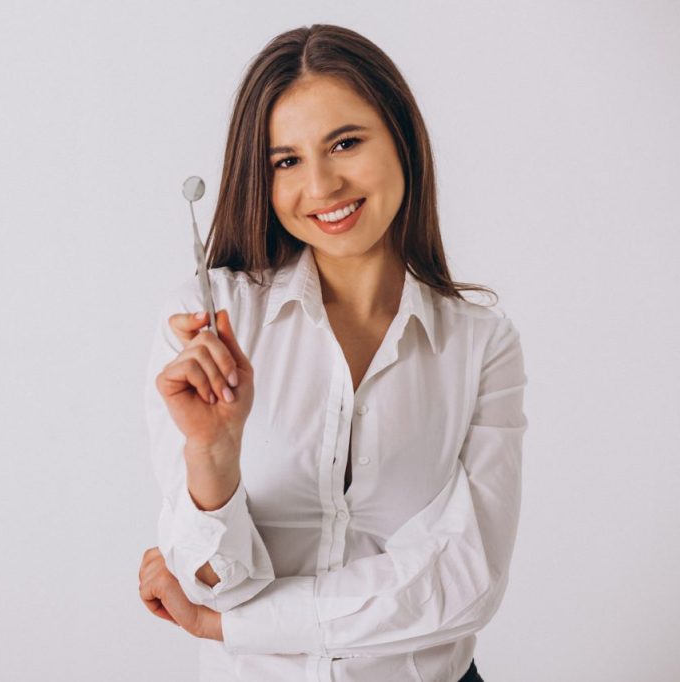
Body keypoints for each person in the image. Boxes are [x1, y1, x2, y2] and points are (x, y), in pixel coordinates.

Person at [137, 23, 527, 682]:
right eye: (285, 160)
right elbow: (207, 583)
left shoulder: (479, 343)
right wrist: (212, 454)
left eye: (343, 143)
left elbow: (468, 583)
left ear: (400, 138)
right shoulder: (209, 325)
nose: (319, 187)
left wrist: (232, 627)